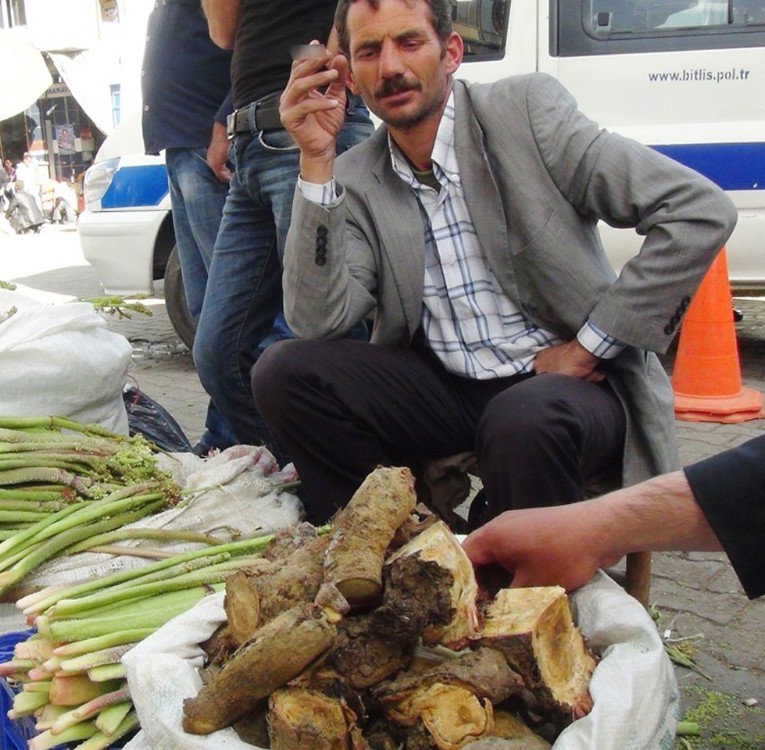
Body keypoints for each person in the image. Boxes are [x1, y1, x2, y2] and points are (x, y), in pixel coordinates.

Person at [251, 0, 737, 525]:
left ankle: (518, 576)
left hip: (569, 387)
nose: (390, 68)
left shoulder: (526, 112)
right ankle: (401, 539)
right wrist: (316, 163)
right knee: (284, 371)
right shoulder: (356, 173)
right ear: (352, 75)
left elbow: (698, 211)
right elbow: (316, 320)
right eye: (369, 51)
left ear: (452, 51)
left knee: (523, 420)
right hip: (445, 388)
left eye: (409, 43)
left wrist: (589, 345)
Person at [194, 0, 374, 448]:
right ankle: (296, 469)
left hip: (312, 121)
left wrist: (330, 63)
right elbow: (226, 33)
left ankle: (358, 482)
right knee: (217, 353)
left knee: (329, 339)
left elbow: (341, 30)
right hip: (250, 141)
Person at [463, 412, 765, 599]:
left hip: (582, 373)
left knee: (528, 424)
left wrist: (598, 527)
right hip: (442, 383)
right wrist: (599, 528)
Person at [144, 0, 237, 455]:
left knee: (230, 312)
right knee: (205, 312)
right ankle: (224, 432)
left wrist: (226, 115)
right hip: (184, 143)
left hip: (208, 142)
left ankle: (238, 433)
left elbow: (255, 41)